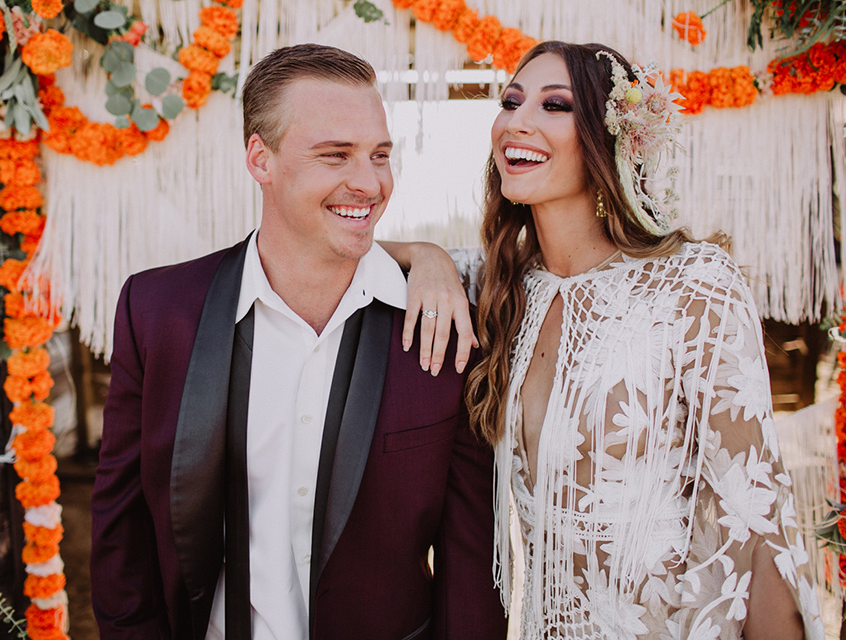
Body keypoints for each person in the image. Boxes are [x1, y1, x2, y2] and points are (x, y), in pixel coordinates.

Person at [394, 40, 824, 639]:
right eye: (511, 101)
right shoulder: (498, 289)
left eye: (554, 106)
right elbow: (350, 254)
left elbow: (754, 522)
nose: (517, 120)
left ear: (609, 138)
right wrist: (427, 255)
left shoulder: (691, 284)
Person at [89, 43, 507, 640]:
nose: (369, 183)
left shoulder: (450, 332)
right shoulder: (156, 313)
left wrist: (430, 256)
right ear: (261, 159)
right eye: (335, 155)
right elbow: (120, 527)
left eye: (380, 155)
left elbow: (470, 561)